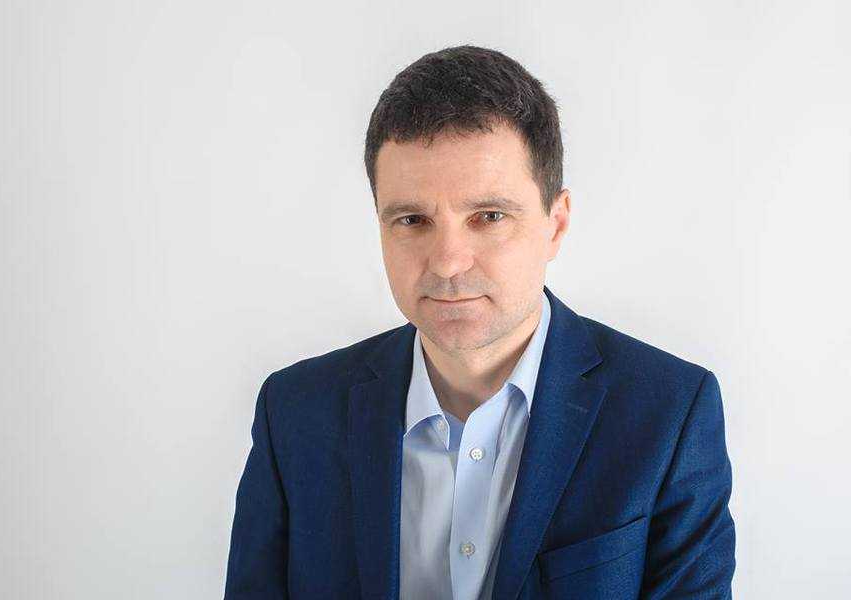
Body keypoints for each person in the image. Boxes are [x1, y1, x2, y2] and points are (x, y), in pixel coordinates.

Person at [224, 44, 736, 600]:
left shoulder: (669, 413)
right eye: (412, 220)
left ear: (556, 224)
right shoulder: (294, 413)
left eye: (488, 216)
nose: (447, 262)